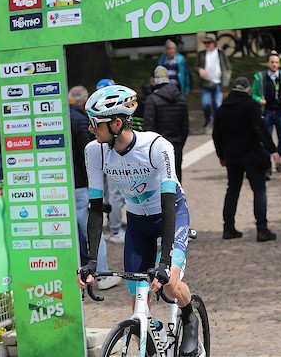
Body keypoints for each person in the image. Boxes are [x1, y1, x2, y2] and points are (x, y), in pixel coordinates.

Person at [77, 85, 199, 356]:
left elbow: (169, 205)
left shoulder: (157, 146)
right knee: (138, 308)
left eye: (95, 123)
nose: (90, 129)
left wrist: (164, 262)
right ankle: (151, 339)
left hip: (171, 214)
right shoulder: (94, 151)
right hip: (138, 221)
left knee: (168, 283)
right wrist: (92, 260)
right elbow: (95, 208)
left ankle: (189, 316)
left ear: (117, 123)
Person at [213, 77, 281, 242]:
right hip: (251, 155)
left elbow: (216, 134)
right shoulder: (251, 105)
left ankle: (228, 228)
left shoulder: (222, 108)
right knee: (259, 190)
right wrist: (273, 150)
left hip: (231, 156)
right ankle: (262, 230)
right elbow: (260, 129)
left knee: (232, 190)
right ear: (247, 89)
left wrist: (221, 155)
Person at [68, 84, 121, 291]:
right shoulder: (80, 122)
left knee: (78, 231)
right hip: (81, 183)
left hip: (65, 184)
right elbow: (87, 156)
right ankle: (103, 273)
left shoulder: (62, 119)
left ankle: (85, 271)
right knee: (91, 230)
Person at [251, 51, 281, 175]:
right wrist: (258, 100)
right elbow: (253, 94)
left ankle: (276, 158)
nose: (274, 64)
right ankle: (267, 168)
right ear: (267, 63)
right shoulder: (260, 78)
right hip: (266, 113)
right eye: (272, 62)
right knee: (266, 141)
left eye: (276, 62)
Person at [144, 65, 189, 182]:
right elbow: (185, 127)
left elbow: (148, 128)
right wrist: (179, 143)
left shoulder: (152, 99)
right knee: (176, 181)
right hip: (177, 145)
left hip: (158, 147)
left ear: (153, 79)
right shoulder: (181, 98)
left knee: (159, 183)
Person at [96, 78, 127, 244]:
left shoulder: (95, 108)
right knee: (114, 194)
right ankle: (115, 230)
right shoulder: (110, 112)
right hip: (111, 154)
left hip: (101, 155)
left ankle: (113, 225)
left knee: (108, 194)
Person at [195, 33, 231, 130]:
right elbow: (196, 66)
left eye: (209, 42)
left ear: (214, 43)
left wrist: (225, 80)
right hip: (205, 83)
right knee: (206, 104)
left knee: (218, 105)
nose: (207, 44)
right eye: (205, 42)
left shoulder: (220, 53)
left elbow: (227, 67)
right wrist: (199, 70)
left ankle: (217, 123)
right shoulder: (201, 54)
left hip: (217, 83)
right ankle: (208, 119)